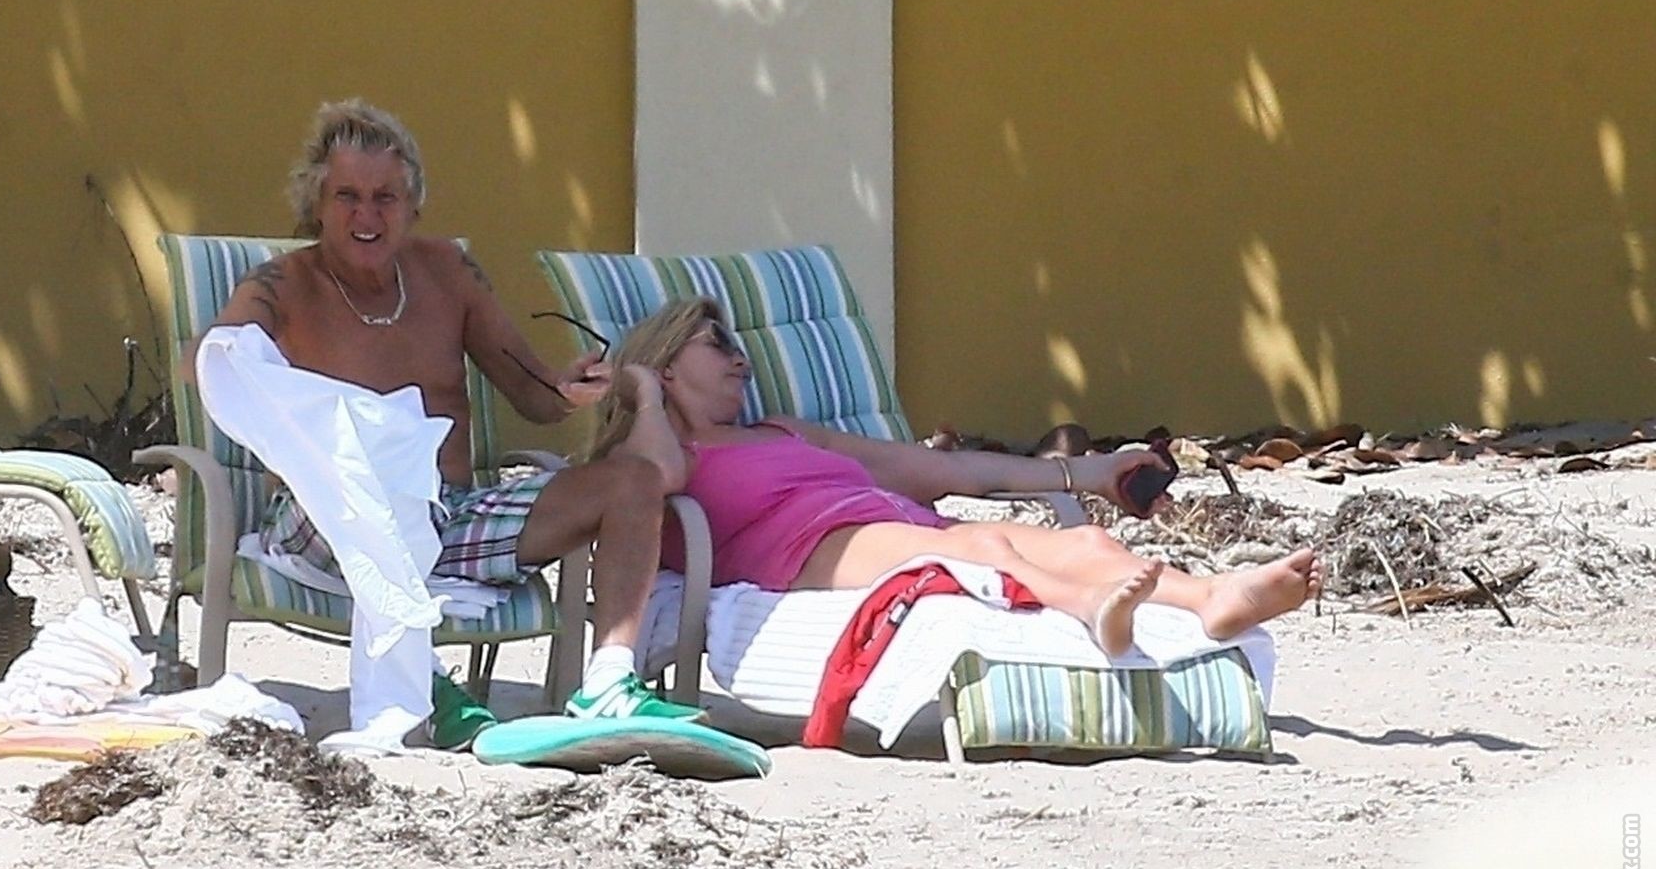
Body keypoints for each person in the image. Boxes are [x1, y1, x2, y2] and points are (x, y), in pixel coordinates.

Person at [194, 99, 697, 743]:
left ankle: (608, 683)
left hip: (451, 516)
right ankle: (425, 684)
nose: (367, 216)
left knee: (633, 481)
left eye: (386, 198)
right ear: (316, 202)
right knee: (375, 480)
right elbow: (209, 361)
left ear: (413, 206)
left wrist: (570, 391)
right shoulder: (282, 286)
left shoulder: (447, 274)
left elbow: (534, 395)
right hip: (329, 517)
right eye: (348, 196)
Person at [587, 299, 1322, 656]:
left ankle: (1214, 597)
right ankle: (1091, 607)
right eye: (718, 344)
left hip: (896, 526)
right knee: (978, 550)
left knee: (1083, 544)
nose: (741, 359)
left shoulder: (784, 430)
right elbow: (655, 477)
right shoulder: (655, 459)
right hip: (808, 549)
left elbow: (946, 468)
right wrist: (640, 393)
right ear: (665, 363)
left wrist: (1091, 472)